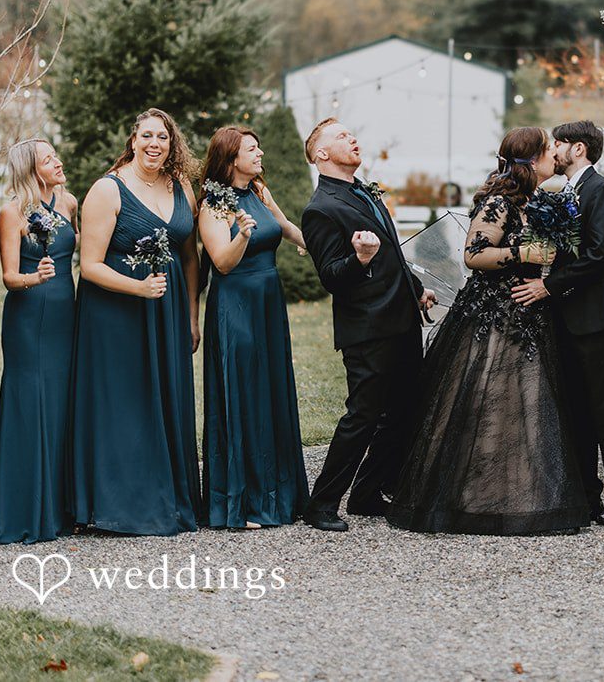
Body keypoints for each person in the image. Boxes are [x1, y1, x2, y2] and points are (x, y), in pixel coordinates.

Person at [389, 127, 594, 535]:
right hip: (494, 314)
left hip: (530, 311)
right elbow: (474, 255)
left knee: (526, 404)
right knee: (485, 399)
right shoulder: (499, 202)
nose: (555, 153)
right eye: (547, 149)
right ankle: (471, 495)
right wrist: (525, 253)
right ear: (532, 159)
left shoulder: (540, 201)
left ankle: (517, 489)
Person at [70, 108, 204, 536]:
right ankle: (121, 504)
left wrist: (192, 316)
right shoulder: (108, 191)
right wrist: (139, 289)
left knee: (165, 397)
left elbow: (189, 255)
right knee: (126, 403)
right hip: (116, 312)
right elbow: (88, 266)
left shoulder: (182, 185)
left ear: (172, 143)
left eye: (162, 137)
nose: (154, 144)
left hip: (166, 309)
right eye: (146, 135)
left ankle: (169, 496)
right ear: (132, 141)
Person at [300, 118, 436, 532]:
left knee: (404, 412)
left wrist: (415, 289)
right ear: (321, 154)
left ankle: (366, 493)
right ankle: (321, 503)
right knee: (362, 416)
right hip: (369, 329)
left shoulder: (365, 192)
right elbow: (331, 276)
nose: (352, 138)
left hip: (402, 319)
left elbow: (392, 253)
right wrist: (359, 259)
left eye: (351, 133)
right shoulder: (320, 209)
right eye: (341, 136)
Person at [510, 120, 604, 526]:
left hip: (598, 319)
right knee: (576, 410)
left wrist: (548, 287)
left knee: (603, 409)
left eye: (558, 144)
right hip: (567, 317)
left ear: (578, 149)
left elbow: (598, 256)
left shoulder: (601, 191)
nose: (554, 151)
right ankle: (586, 494)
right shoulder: (562, 194)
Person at [198, 126, 311, 529]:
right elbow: (222, 263)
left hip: (268, 304)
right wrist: (243, 234)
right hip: (236, 306)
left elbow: (285, 227)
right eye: (252, 148)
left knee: (272, 389)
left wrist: (323, 246)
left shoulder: (260, 191)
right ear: (231, 158)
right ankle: (241, 503)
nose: (260, 152)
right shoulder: (214, 205)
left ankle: (279, 494)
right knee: (242, 393)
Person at [0, 139, 78, 545]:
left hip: (65, 312)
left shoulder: (70, 203)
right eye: (49, 159)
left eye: (56, 155)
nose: (58, 162)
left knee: (60, 401)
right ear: (31, 169)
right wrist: (35, 277)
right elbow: (8, 277)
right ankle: (23, 508)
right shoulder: (12, 213)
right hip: (28, 314)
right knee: (30, 398)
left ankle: (58, 506)